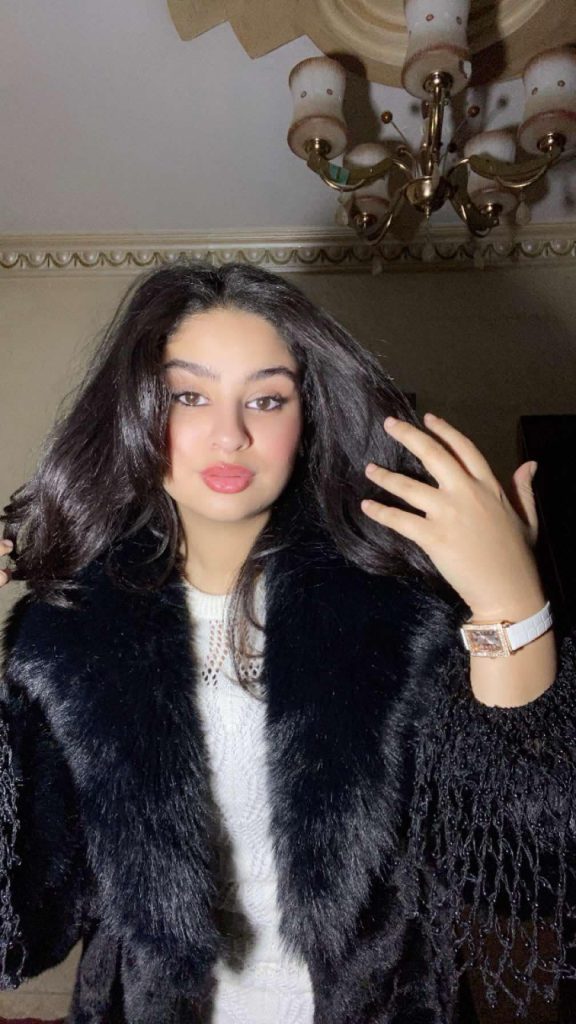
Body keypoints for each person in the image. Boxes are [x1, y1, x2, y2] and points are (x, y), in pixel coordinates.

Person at [0, 261, 574, 1024]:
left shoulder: (399, 619)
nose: (230, 434)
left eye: (267, 399)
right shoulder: (64, 637)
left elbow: (528, 876)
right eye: (188, 396)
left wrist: (512, 609)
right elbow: (21, 926)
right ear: (135, 410)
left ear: (308, 420)